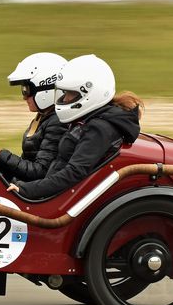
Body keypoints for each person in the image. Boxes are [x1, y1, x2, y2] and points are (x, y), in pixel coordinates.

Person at [8, 54, 143, 199]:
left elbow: (73, 173)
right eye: (64, 93)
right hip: (52, 192)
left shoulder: (99, 128)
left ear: (89, 93)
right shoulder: (88, 121)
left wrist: (26, 190)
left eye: (70, 94)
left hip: (59, 201)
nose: (64, 99)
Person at [0, 52, 67, 183]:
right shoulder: (43, 116)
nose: (24, 97)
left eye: (27, 90)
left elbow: (39, 172)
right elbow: (25, 165)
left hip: (33, 193)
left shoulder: (58, 123)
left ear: (46, 90)